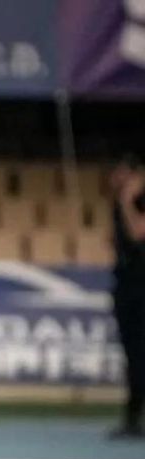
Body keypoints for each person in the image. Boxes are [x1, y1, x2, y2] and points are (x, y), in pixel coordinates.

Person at [109, 156, 145, 439]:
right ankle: (132, 417)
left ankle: (134, 417)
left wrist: (127, 201)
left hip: (140, 289)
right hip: (127, 286)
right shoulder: (118, 204)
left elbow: (138, 232)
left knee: (139, 355)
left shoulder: (136, 200)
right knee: (133, 356)